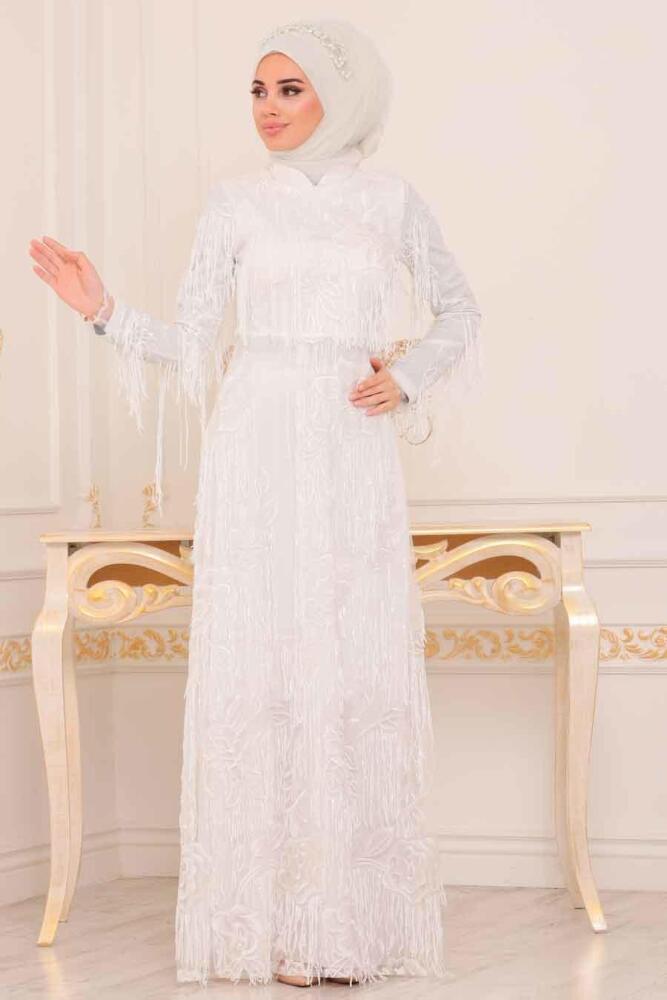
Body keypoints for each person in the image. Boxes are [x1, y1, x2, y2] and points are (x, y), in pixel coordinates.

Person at [28, 17, 482, 988]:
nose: (267, 109)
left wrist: (405, 379)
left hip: (350, 447)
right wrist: (102, 311)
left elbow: (459, 309)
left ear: (338, 96)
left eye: (289, 89)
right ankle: (269, 921)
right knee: (262, 660)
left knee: (348, 660)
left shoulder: (392, 202)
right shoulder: (234, 205)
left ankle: (347, 922)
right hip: (254, 447)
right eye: (256, 91)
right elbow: (194, 345)